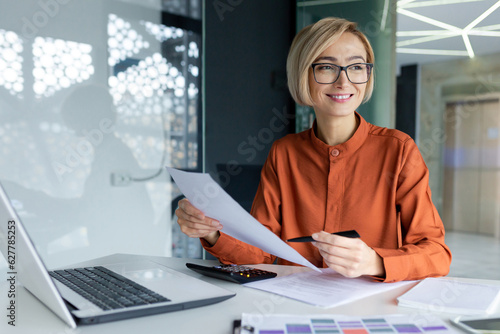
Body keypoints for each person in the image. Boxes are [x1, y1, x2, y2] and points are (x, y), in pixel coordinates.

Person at [175, 17, 452, 282]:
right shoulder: (284, 153)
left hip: (366, 307)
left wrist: (374, 262)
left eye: (356, 67)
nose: (344, 82)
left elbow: (437, 254)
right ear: (303, 74)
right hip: (292, 302)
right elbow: (259, 251)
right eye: (327, 67)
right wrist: (211, 232)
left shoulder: (399, 150)